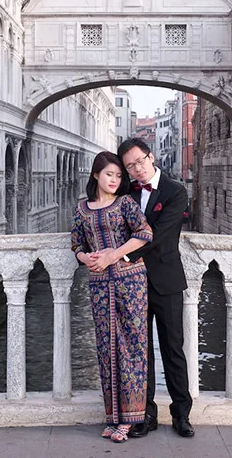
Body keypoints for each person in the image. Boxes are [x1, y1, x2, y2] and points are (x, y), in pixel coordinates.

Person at [71, 151, 153, 443]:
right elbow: (76, 242)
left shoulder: (126, 203)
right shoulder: (82, 209)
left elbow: (145, 233)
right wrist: (86, 257)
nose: (115, 180)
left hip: (130, 282)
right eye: (110, 174)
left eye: (119, 176)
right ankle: (112, 417)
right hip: (98, 284)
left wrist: (112, 256)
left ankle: (129, 421)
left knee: (131, 348)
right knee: (106, 349)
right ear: (96, 175)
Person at [117, 138, 194, 438]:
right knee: (140, 351)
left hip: (167, 282)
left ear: (151, 157)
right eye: (129, 167)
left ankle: (181, 414)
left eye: (139, 162)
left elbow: (160, 235)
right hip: (132, 282)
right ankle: (145, 415)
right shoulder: (127, 192)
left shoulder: (177, 191)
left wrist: (122, 254)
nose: (137, 169)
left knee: (173, 349)